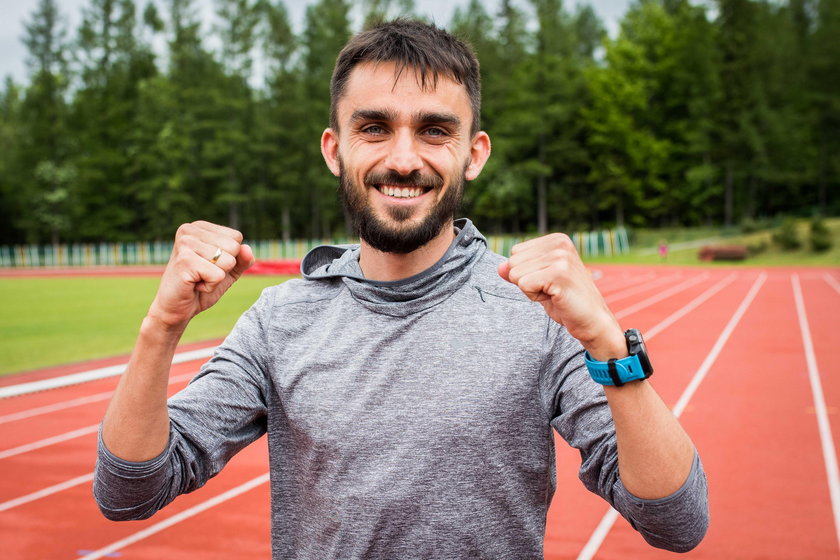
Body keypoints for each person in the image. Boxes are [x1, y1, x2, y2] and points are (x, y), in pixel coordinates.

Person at [94, 19, 708, 558]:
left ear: (475, 153)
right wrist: (161, 329)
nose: (405, 159)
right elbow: (128, 491)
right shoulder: (280, 320)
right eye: (375, 127)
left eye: (436, 130)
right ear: (335, 149)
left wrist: (604, 340)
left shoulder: (538, 314)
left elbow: (677, 521)